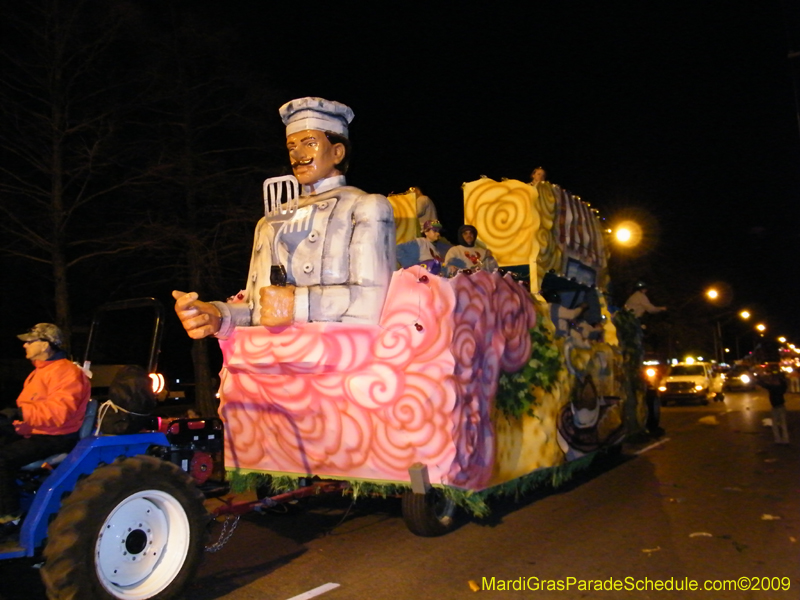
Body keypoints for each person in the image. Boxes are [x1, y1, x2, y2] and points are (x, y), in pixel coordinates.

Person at [172, 97, 396, 338]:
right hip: (279, 355)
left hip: (343, 354)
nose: (297, 154)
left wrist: (297, 303)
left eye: (309, 144)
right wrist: (217, 316)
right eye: (291, 147)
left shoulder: (365, 207)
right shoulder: (270, 221)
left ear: (337, 152)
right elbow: (258, 309)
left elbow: (374, 301)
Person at [0, 323, 90, 521]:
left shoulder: (67, 373)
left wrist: (19, 414)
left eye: (30, 341)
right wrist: (12, 420)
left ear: (45, 345)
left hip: (57, 437)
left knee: (3, 459)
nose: (25, 345)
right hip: (36, 431)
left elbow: (59, 413)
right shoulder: (40, 371)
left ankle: (9, 515)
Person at [756, 366, 790, 444]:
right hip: (781, 406)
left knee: (775, 425)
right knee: (783, 424)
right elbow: (784, 384)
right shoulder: (781, 387)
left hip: (775, 407)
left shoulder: (772, 388)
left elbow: (763, 384)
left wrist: (758, 378)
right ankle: (785, 439)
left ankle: (778, 439)